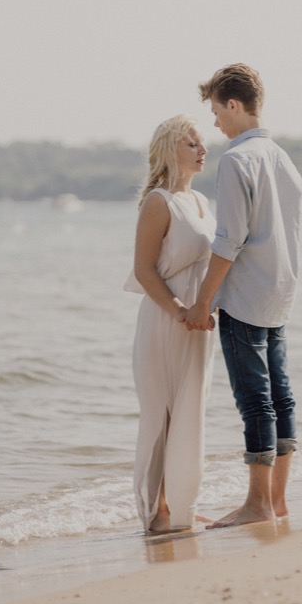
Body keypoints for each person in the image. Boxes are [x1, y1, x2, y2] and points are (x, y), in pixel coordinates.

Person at [185, 64, 302, 528]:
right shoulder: (283, 159)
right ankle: (277, 501)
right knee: (281, 397)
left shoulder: (237, 160)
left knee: (255, 400)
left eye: (216, 111)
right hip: (280, 291)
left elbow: (229, 239)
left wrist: (202, 301)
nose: (215, 123)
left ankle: (257, 504)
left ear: (233, 105)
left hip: (246, 297)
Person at [125, 115, 216, 534]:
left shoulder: (200, 203)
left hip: (197, 324)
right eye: (192, 143)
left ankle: (182, 507)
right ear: (169, 151)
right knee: (160, 416)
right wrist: (179, 310)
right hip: (165, 321)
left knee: (190, 412)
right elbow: (144, 270)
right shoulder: (158, 202)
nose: (203, 149)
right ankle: (156, 512)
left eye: (202, 143)